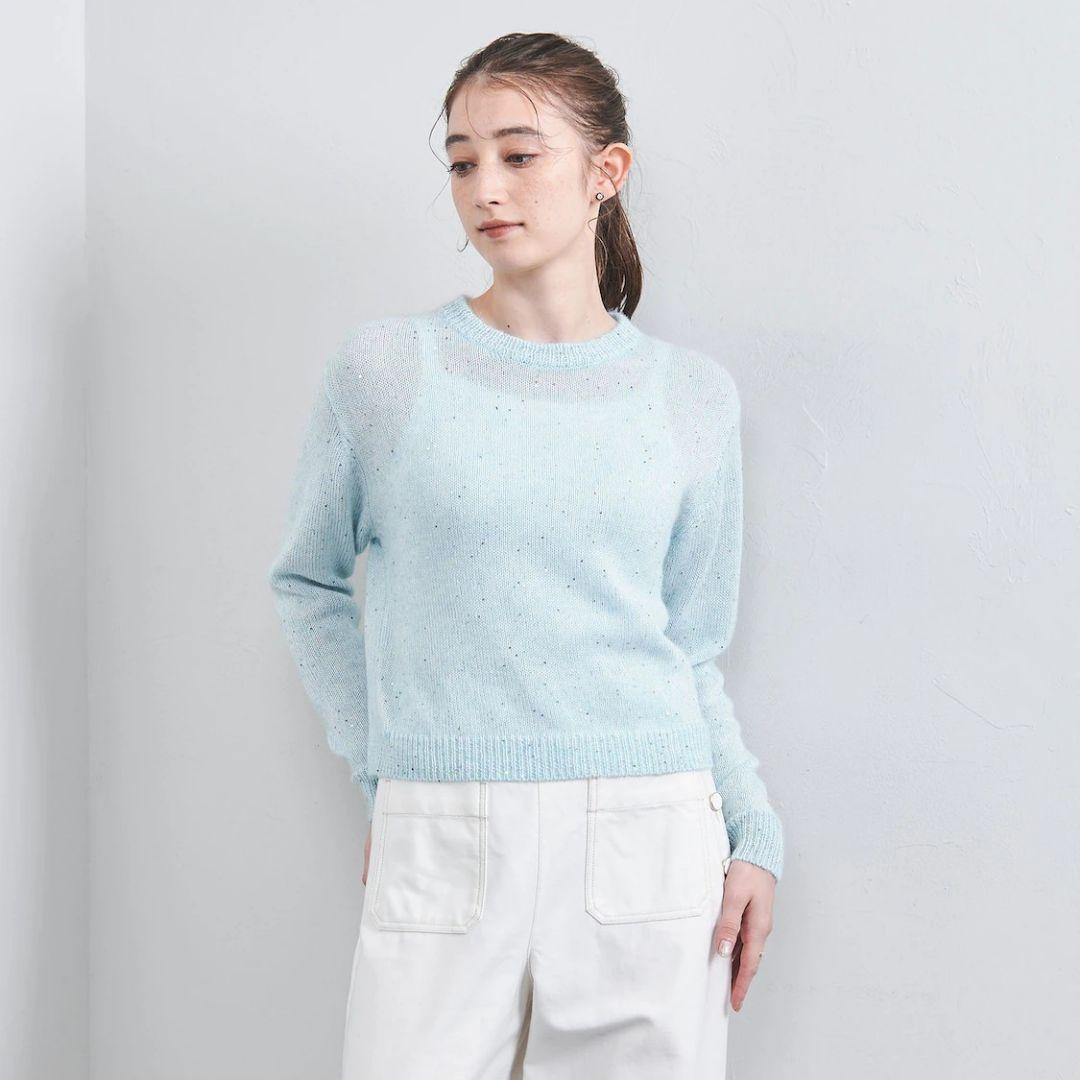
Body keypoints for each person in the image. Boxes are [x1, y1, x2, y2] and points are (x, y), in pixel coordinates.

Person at [267, 30, 783, 1080]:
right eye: (462, 162)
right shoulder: (388, 370)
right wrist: (385, 771)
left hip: (650, 830)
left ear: (606, 171)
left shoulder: (692, 398)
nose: (484, 189)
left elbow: (691, 648)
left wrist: (753, 831)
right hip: (441, 828)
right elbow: (306, 581)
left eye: (517, 154)